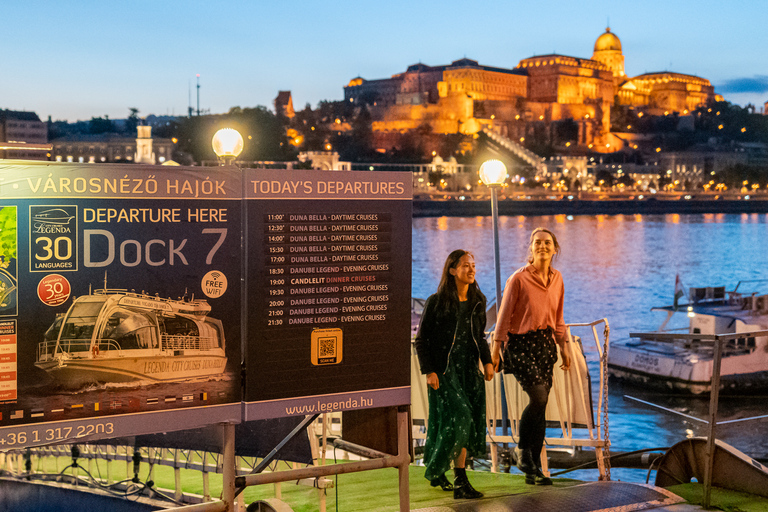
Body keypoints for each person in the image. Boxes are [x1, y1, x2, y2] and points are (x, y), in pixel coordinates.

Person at [491, 227, 571, 486]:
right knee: (539, 396)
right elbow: (502, 317)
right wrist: (495, 350)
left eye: (547, 243)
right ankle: (523, 452)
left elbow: (558, 319)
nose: (543, 246)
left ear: (555, 248)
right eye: (538, 242)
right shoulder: (518, 279)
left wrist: (565, 348)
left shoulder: (557, 279)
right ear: (531, 248)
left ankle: (533, 470)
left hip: (545, 345)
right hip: (521, 345)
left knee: (541, 406)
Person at [415, 249, 495, 499]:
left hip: (469, 370)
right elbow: (421, 340)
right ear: (452, 270)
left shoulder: (478, 300)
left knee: (457, 423)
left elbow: (480, 337)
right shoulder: (436, 301)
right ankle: (460, 480)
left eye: (473, 265)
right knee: (461, 417)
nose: (471, 270)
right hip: (444, 370)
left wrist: (488, 361)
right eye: (465, 266)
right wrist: (429, 371)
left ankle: (437, 469)